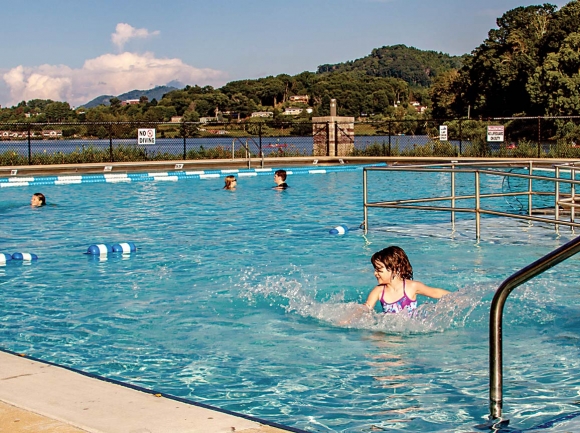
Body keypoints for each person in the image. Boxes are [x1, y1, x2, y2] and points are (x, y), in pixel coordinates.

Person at [363, 246, 449, 314]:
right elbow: (366, 308)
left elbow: (435, 292)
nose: (375, 273)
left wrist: (456, 296)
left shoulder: (412, 287)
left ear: (395, 270)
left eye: (379, 270)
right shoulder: (378, 291)